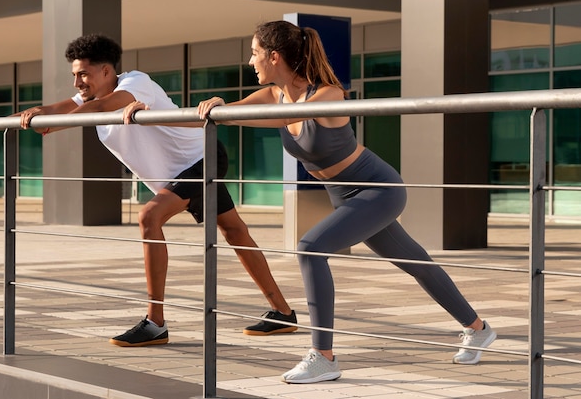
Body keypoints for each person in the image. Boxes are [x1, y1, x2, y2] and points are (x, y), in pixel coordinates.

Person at [192, 20, 497, 383]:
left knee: (309, 248)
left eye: (255, 53)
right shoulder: (276, 96)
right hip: (344, 196)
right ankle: (478, 328)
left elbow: (267, 116)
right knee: (416, 263)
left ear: (274, 57)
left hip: (377, 190)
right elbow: (231, 112)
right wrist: (149, 113)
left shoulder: (327, 96)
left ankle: (324, 356)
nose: (250, 61)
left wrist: (230, 112)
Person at [0, 33, 298, 347]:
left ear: (107, 70)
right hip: (184, 170)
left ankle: (155, 323)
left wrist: (60, 122)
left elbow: (97, 109)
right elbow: (50, 110)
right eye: (75, 76)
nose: (78, 83)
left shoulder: (136, 83)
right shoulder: (87, 98)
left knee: (149, 216)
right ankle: (283, 313)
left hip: (201, 159)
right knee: (235, 231)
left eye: (84, 74)